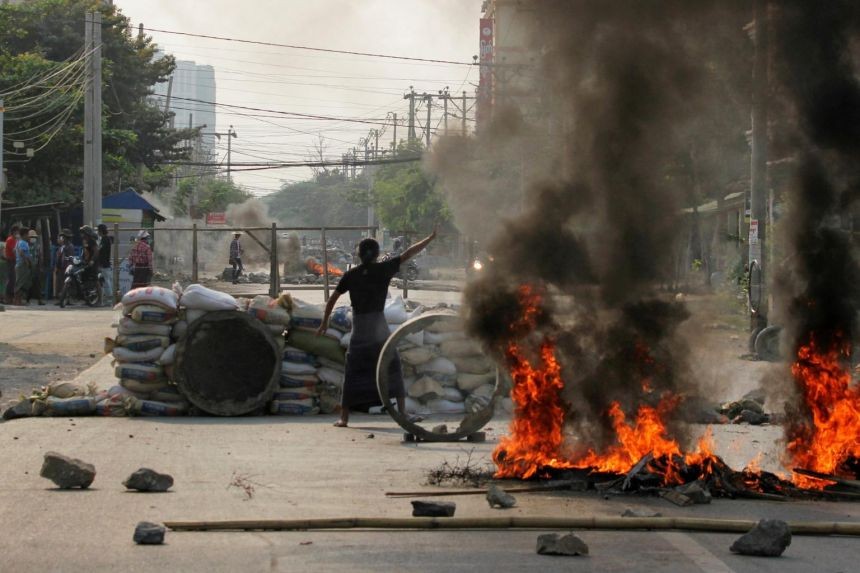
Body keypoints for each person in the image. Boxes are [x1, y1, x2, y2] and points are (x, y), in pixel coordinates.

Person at [317, 226, 437, 427]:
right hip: (379, 328)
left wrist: (324, 322)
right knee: (392, 366)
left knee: (353, 371)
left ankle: (344, 418)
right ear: (377, 254)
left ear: (358, 254)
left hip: (360, 328)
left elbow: (332, 299)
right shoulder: (384, 269)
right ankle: (403, 413)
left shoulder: (351, 275)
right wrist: (430, 237)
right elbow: (408, 253)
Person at [54, 229, 75, 302]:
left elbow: (70, 257)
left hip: (66, 267)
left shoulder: (70, 246)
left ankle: (67, 299)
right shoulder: (61, 247)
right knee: (59, 284)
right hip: (60, 267)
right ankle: (61, 299)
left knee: (66, 283)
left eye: (63, 237)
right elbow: (58, 258)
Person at [14, 227, 32, 306]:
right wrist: (26, 261)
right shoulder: (23, 243)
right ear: (24, 235)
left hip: (19, 264)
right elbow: (21, 252)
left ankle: (18, 300)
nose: (28, 236)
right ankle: (18, 301)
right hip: (22, 264)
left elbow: (14, 251)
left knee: (20, 282)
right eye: (28, 234)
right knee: (20, 283)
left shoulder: (19, 242)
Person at [27, 229, 45, 306]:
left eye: (34, 237)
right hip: (28, 266)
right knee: (28, 283)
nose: (33, 238)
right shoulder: (26, 245)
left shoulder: (37, 246)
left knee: (37, 283)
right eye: (31, 237)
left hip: (36, 266)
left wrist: (40, 267)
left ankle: (40, 300)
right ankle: (27, 299)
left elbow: (40, 256)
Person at [97, 224, 114, 304]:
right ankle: (105, 298)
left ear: (101, 231)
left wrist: (100, 263)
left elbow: (102, 252)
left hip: (104, 264)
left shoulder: (105, 239)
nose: (97, 232)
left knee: (106, 281)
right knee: (104, 281)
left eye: (98, 230)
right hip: (104, 263)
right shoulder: (104, 239)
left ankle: (109, 299)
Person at [4, 224, 18, 304]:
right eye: (17, 232)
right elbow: (14, 250)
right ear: (13, 232)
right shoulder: (11, 239)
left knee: (13, 280)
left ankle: (11, 298)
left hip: (14, 261)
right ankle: (8, 298)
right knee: (11, 279)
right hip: (11, 261)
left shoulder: (14, 240)